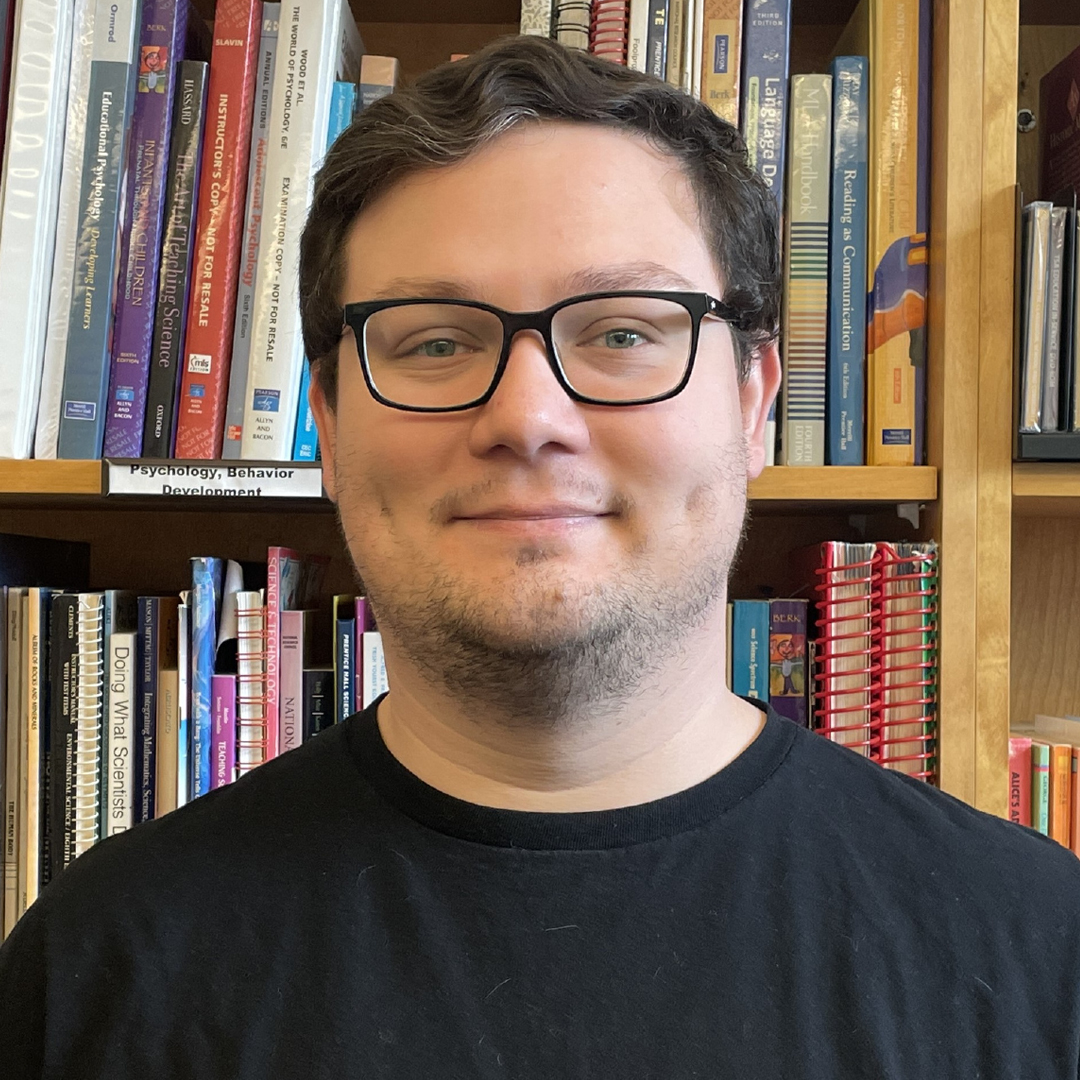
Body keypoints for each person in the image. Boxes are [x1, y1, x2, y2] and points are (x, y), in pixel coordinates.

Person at [1, 35, 1078, 1078]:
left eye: (621, 333)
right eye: (434, 340)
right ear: (326, 422)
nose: (527, 418)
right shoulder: (94, 974)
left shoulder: (1043, 956)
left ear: (754, 401)